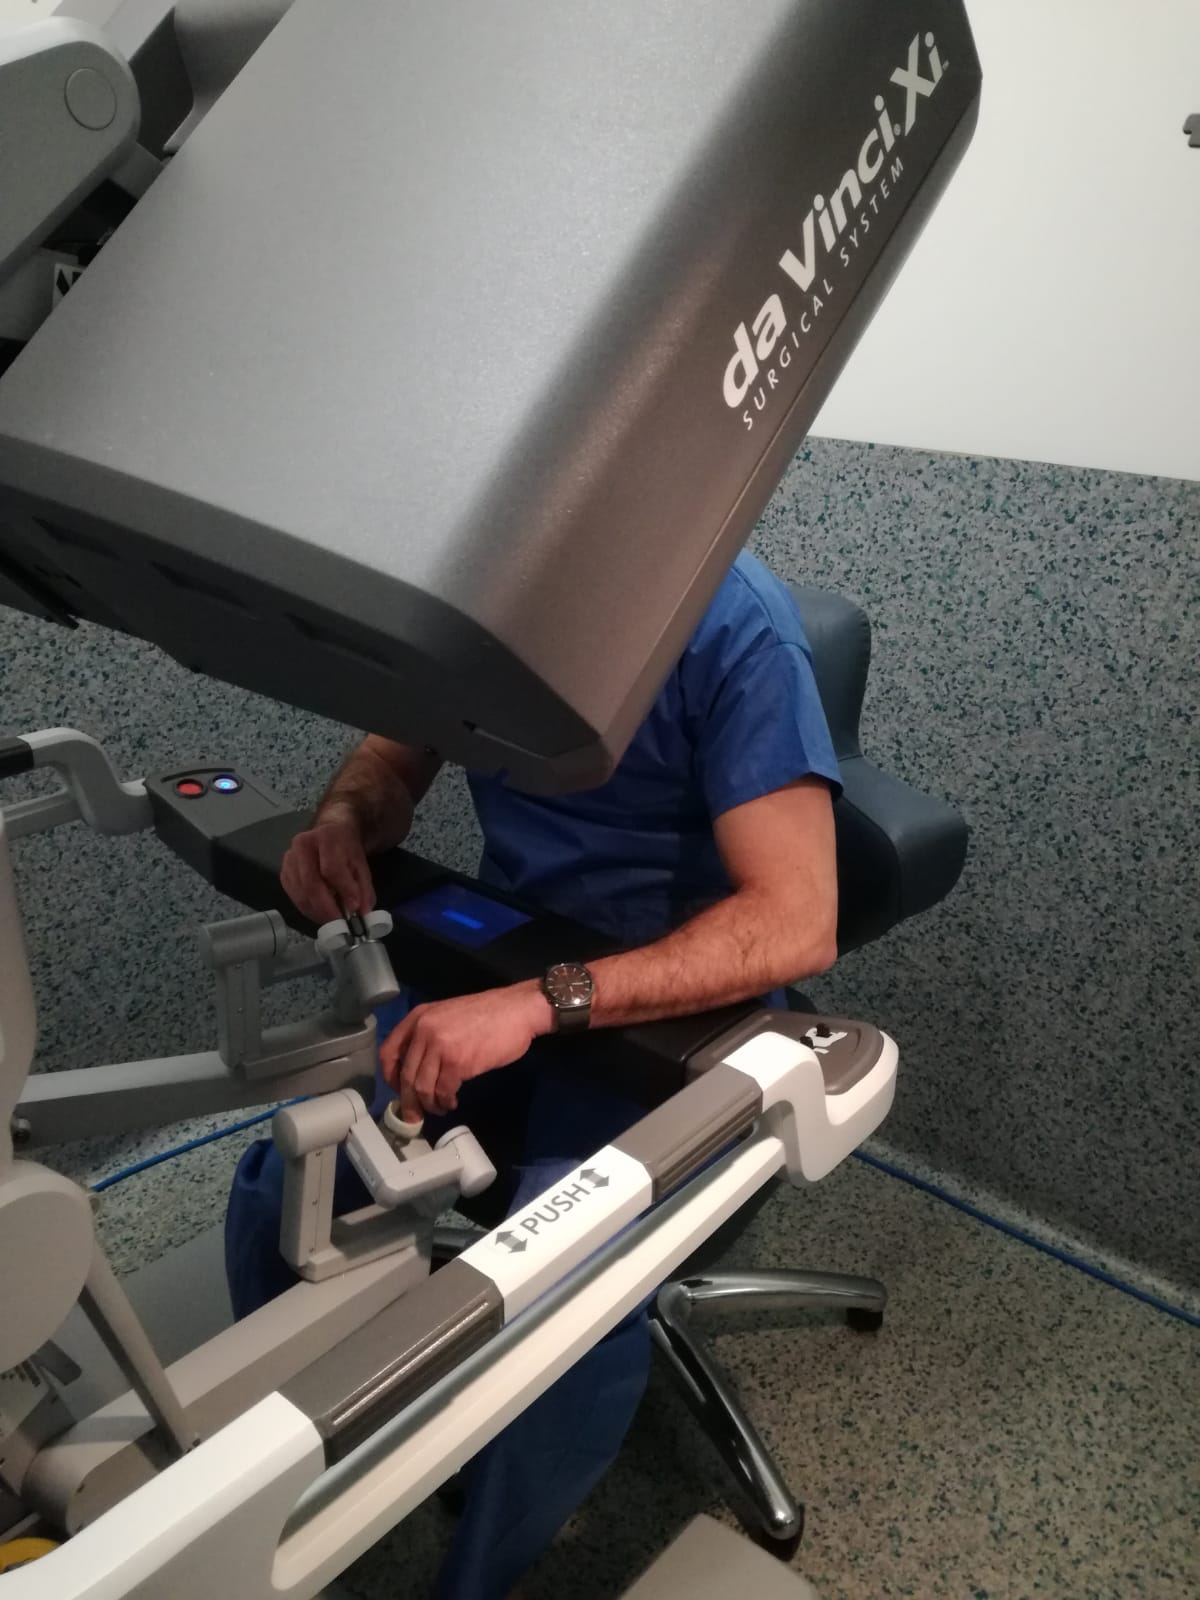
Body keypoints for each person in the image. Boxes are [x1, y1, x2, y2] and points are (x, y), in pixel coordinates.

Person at [225, 550, 842, 1599]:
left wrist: (537, 1004)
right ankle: (283, 1493)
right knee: (290, 1187)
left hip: (674, 1022)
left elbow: (797, 918)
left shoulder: (733, 629)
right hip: (506, 973)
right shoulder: (480, 591)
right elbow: (387, 759)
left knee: (558, 1291)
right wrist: (343, 821)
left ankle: (478, 1579)